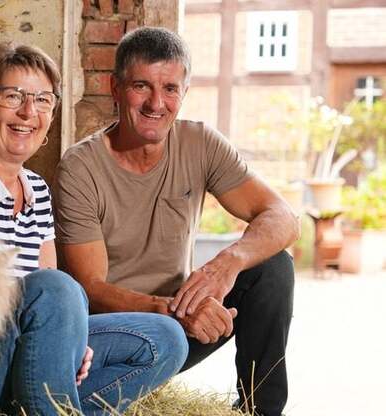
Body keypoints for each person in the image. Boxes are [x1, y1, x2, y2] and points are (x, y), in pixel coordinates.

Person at [0, 41, 188, 415]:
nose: (28, 112)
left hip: (24, 367)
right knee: (57, 287)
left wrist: (68, 339)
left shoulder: (37, 191)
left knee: (166, 337)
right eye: (13, 96)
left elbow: (49, 294)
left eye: (43, 100)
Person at [53, 27, 299, 416]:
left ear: (184, 92)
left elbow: (283, 217)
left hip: (182, 324)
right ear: (114, 88)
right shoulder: (80, 167)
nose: (156, 103)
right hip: (113, 343)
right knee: (158, 329)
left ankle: (260, 410)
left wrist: (226, 265)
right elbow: (91, 288)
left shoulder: (201, 143)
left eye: (170, 88)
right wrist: (171, 311)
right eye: (141, 86)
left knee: (272, 267)